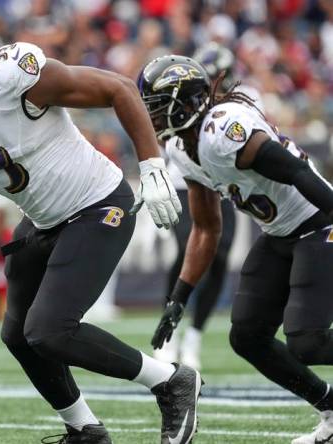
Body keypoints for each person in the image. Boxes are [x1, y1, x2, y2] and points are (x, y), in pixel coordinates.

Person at [0, 1, 198, 443]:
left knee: (48, 330)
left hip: (96, 204)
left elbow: (119, 88)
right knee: (18, 334)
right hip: (43, 218)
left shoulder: (13, 72)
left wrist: (151, 165)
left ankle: (170, 380)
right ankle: (84, 428)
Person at [141, 54, 333, 444]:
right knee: (247, 336)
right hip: (279, 233)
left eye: (158, 108)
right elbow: (207, 228)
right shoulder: (182, 149)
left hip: (318, 224)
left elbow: (296, 172)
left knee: (307, 341)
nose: (153, 119)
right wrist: (179, 298)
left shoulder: (223, 128)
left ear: (186, 102)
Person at [156, 43, 246, 370]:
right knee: (185, 250)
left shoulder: (243, 99)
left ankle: (194, 335)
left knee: (220, 255)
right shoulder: (185, 100)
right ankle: (171, 332)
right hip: (185, 183)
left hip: (225, 186)